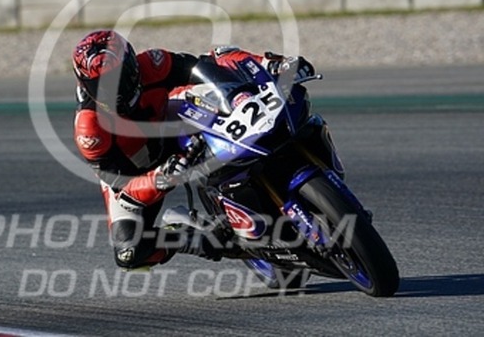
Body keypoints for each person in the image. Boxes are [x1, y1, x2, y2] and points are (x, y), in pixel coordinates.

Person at [72, 30, 315, 270]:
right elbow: (120, 185)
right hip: (138, 175)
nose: (115, 92)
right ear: (85, 84)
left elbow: (199, 66)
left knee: (220, 65)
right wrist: (159, 178)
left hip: (169, 123)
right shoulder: (89, 128)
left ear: (132, 66)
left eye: (119, 78)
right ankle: (193, 234)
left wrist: (240, 91)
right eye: (101, 85)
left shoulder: (151, 63)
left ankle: (272, 138)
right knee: (129, 252)